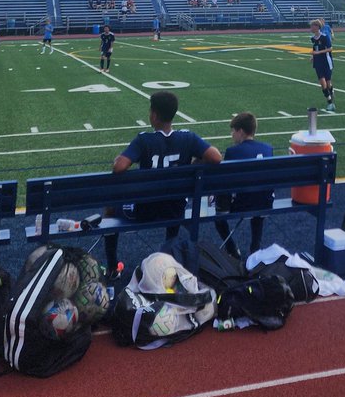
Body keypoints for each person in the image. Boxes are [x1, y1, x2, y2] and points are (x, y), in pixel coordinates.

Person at [103, 91, 221, 266]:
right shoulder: (188, 137)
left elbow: (119, 167)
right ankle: (169, 252)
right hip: (175, 209)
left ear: (154, 115)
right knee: (173, 200)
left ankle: (112, 266)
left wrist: (117, 160)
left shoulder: (144, 140)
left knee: (110, 208)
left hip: (146, 211)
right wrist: (194, 163)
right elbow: (216, 157)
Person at [213, 112, 274, 258]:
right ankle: (255, 246)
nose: (231, 134)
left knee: (218, 214)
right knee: (258, 197)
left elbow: (225, 182)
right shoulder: (268, 148)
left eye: (233, 131)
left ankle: (232, 248)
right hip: (265, 203)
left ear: (240, 131)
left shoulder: (232, 151)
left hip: (240, 204)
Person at [310, 19, 336, 113]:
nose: (311, 28)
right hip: (317, 62)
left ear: (317, 27)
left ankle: (331, 93)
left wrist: (318, 52)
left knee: (328, 83)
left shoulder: (324, 37)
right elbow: (314, 48)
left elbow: (330, 48)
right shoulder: (312, 38)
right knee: (322, 82)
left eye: (312, 26)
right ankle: (329, 102)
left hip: (326, 61)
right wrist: (312, 56)